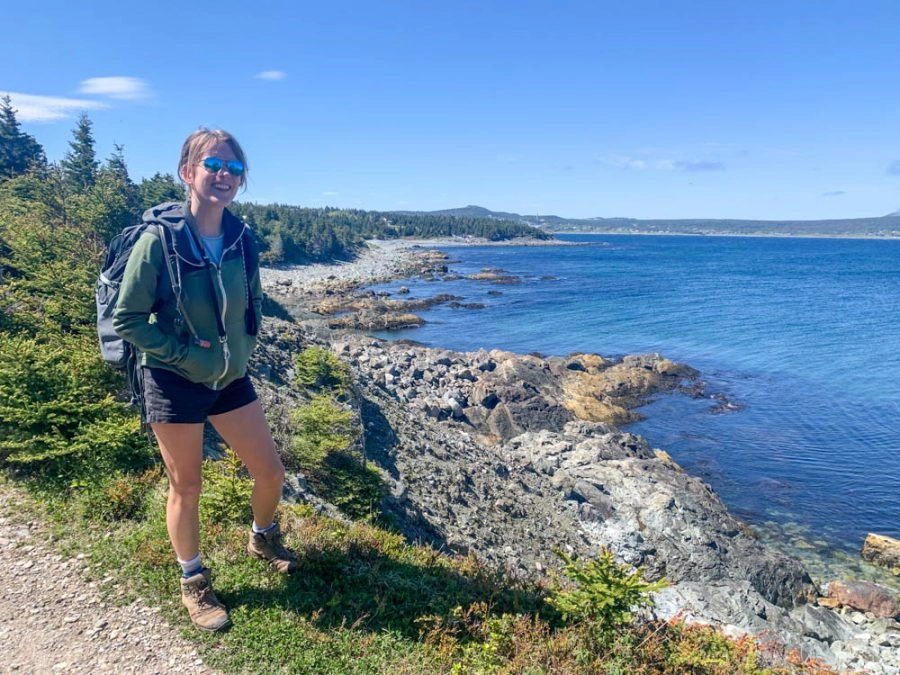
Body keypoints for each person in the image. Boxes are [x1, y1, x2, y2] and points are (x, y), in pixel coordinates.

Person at [113, 128, 297, 632]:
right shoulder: (159, 242)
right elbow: (126, 318)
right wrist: (182, 355)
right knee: (186, 485)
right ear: (187, 172)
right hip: (173, 379)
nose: (224, 176)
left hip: (230, 376)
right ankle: (193, 582)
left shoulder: (240, 238)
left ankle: (262, 537)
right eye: (213, 165)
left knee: (271, 472)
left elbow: (254, 302)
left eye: (234, 169)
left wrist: (245, 349)